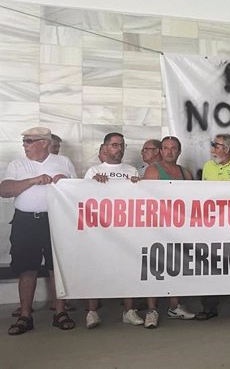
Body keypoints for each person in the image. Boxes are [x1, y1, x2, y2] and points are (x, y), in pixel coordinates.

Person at [1, 127, 78, 335]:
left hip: (56, 220)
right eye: (24, 141)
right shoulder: (18, 164)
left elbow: (78, 193)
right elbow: (4, 190)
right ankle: (25, 315)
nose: (24, 145)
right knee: (26, 268)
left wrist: (67, 183)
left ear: (44, 142)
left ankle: (60, 312)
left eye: (29, 141)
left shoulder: (63, 163)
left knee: (57, 268)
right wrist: (33, 181)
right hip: (26, 221)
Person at [83, 132, 143, 329]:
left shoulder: (131, 169)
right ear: (105, 147)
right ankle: (92, 312)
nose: (119, 149)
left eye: (122, 145)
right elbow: (82, 197)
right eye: (115, 145)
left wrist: (138, 185)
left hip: (126, 229)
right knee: (95, 269)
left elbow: (141, 198)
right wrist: (93, 184)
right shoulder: (94, 170)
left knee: (129, 269)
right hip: (99, 230)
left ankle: (128, 311)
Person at [142, 136, 196, 324]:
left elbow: (192, 201)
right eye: (165, 148)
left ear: (179, 152)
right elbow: (147, 200)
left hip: (179, 227)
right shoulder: (152, 171)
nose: (169, 151)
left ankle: (175, 306)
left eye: (173, 148)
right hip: (157, 226)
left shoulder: (185, 173)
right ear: (160, 151)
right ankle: (151, 310)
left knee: (177, 266)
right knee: (154, 267)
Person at [196, 134, 230, 321]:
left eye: (215, 146)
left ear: (226, 149)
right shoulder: (208, 167)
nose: (212, 149)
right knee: (210, 265)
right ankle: (209, 307)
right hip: (212, 225)